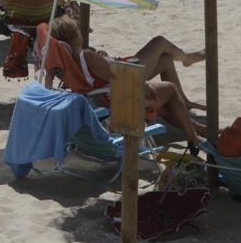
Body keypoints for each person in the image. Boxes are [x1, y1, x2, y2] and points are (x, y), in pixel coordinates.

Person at [47, 15, 205, 147]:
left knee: (165, 60)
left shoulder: (65, 64)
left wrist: (103, 58)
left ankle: (197, 127)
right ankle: (193, 137)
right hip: (120, 98)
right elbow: (118, 76)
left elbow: (98, 75)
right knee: (167, 78)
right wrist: (143, 84)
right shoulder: (86, 56)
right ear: (75, 35)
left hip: (103, 97)